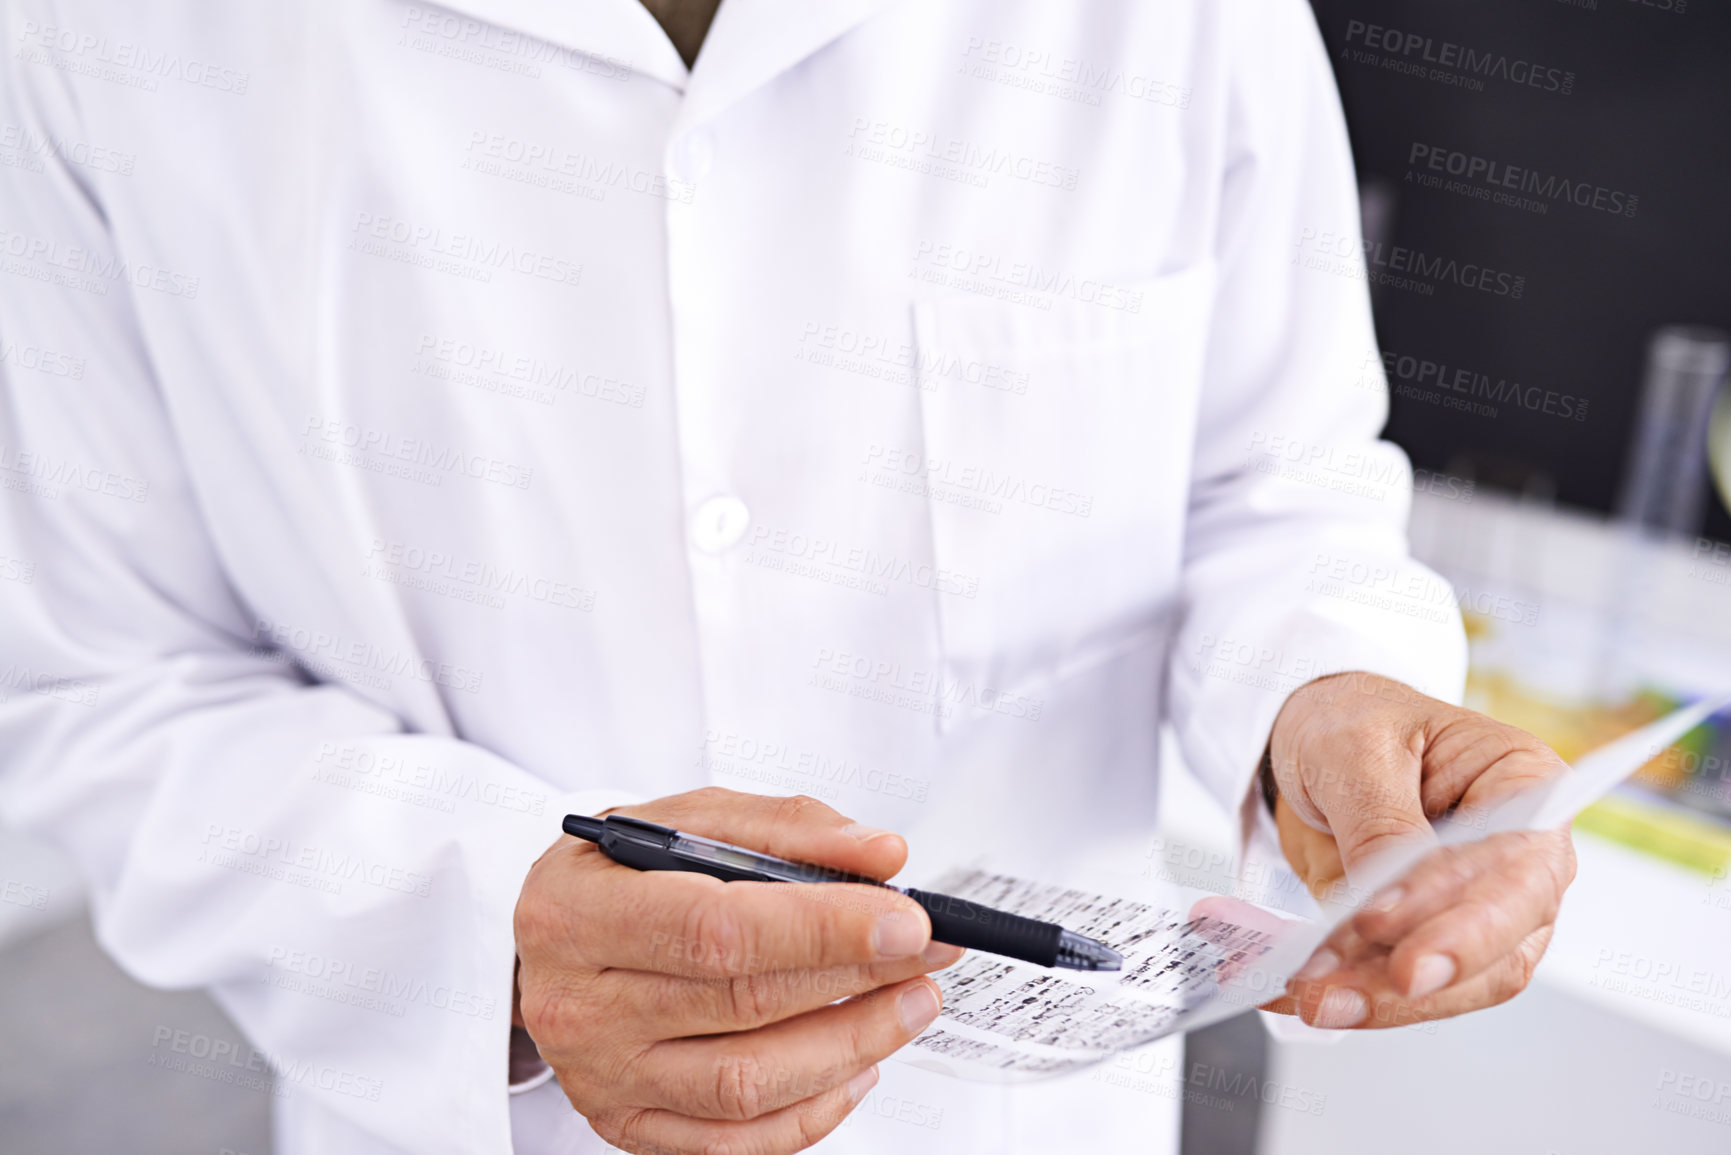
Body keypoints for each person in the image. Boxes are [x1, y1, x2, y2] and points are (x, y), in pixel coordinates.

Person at [0, 0, 1575, 1152]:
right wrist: (491, 931)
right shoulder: (102, 43)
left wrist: (1324, 683)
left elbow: (1269, 483)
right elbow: (101, 685)